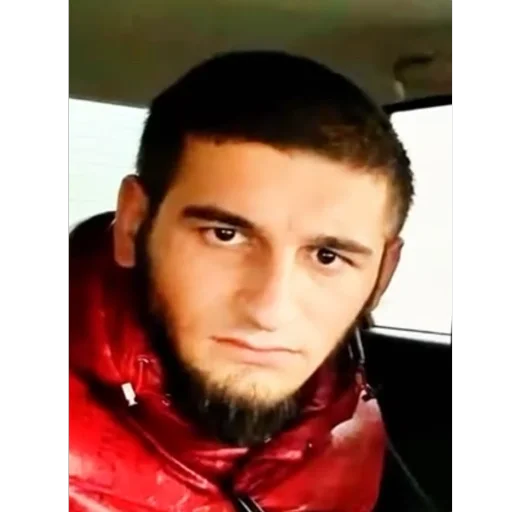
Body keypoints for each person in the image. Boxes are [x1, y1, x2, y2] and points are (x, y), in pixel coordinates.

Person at [68, 50, 413, 512]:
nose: (269, 311)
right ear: (133, 225)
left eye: (327, 257)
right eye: (225, 235)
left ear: (382, 275)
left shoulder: (350, 412)